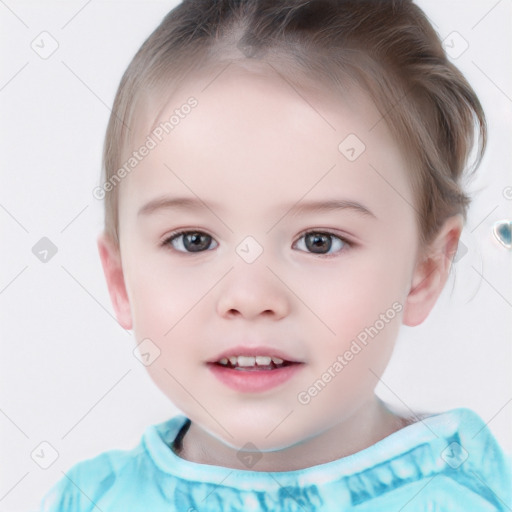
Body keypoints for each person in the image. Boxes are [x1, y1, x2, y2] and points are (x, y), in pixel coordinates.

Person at [40, 0, 511, 510]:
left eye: (319, 241)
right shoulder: (86, 499)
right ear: (121, 280)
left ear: (424, 272)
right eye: (192, 240)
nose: (249, 297)